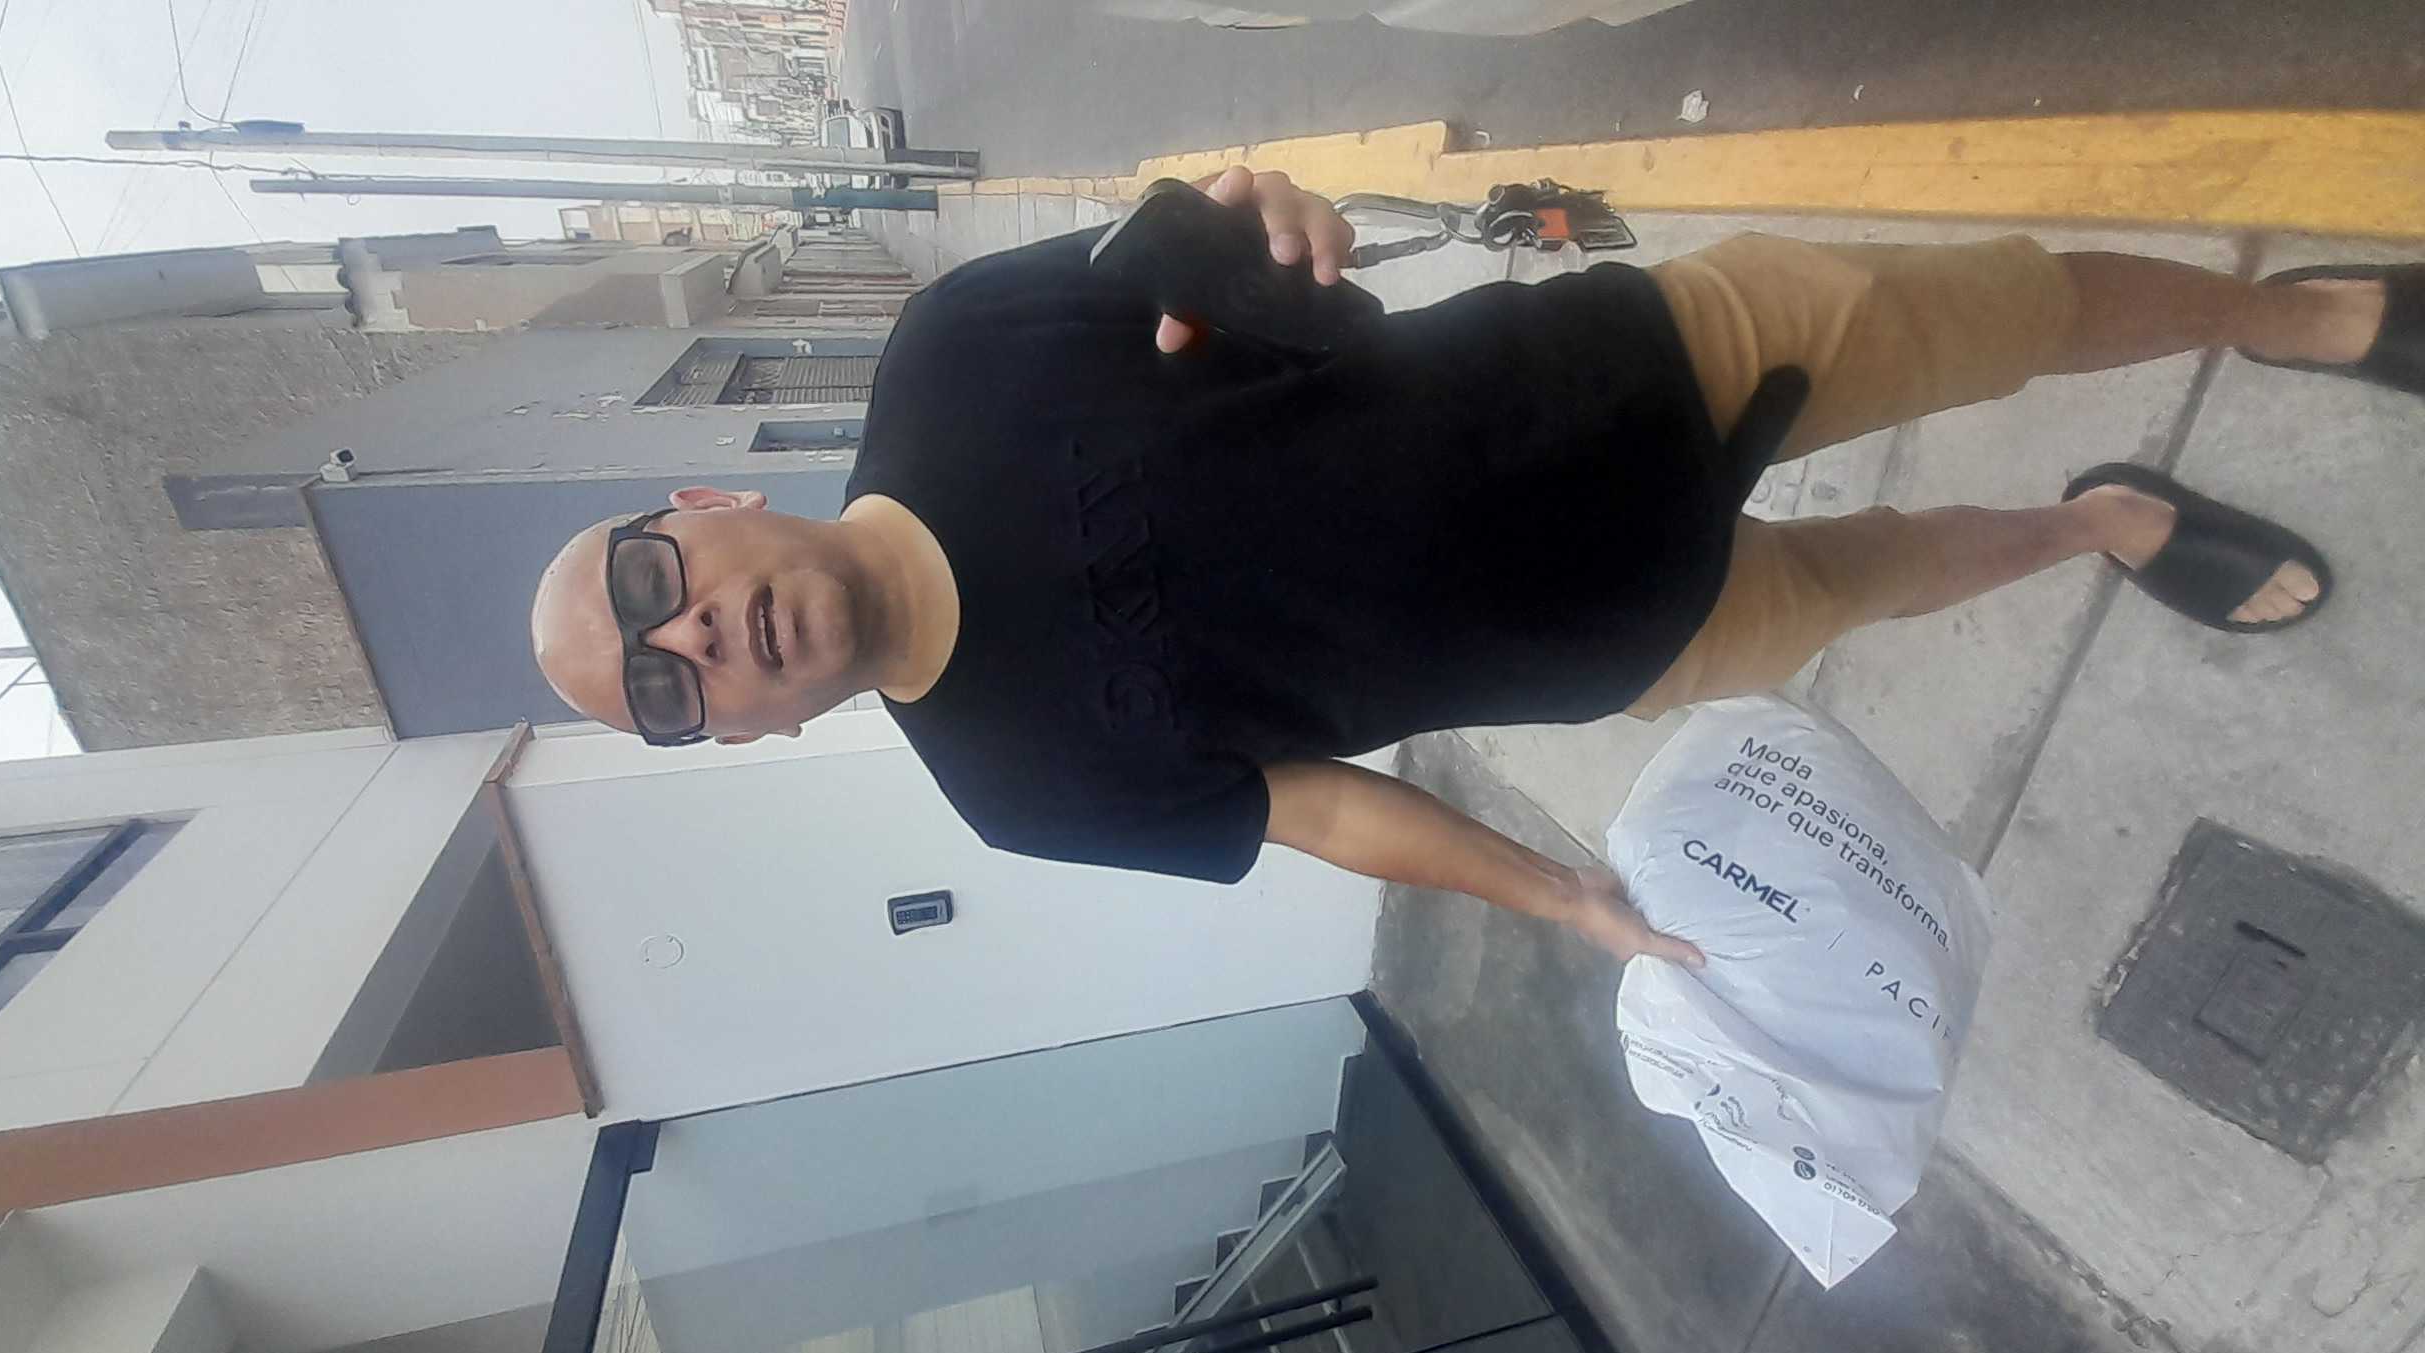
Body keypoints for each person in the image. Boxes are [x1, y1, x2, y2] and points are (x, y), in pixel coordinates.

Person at [531, 167, 2416, 966]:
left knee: (2005, 311)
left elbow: (1208, 237)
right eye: (672, 691)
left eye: (643, 589)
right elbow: (1324, 813)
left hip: (1628, 366)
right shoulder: (1016, 792)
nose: (693, 635)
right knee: (1886, 574)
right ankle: (2094, 524)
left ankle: (2284, 314)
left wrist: (1277, 211)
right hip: (1623, 635)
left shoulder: (950, 349)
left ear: (690, 509)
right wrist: (1556, 896)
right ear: (748, 734)